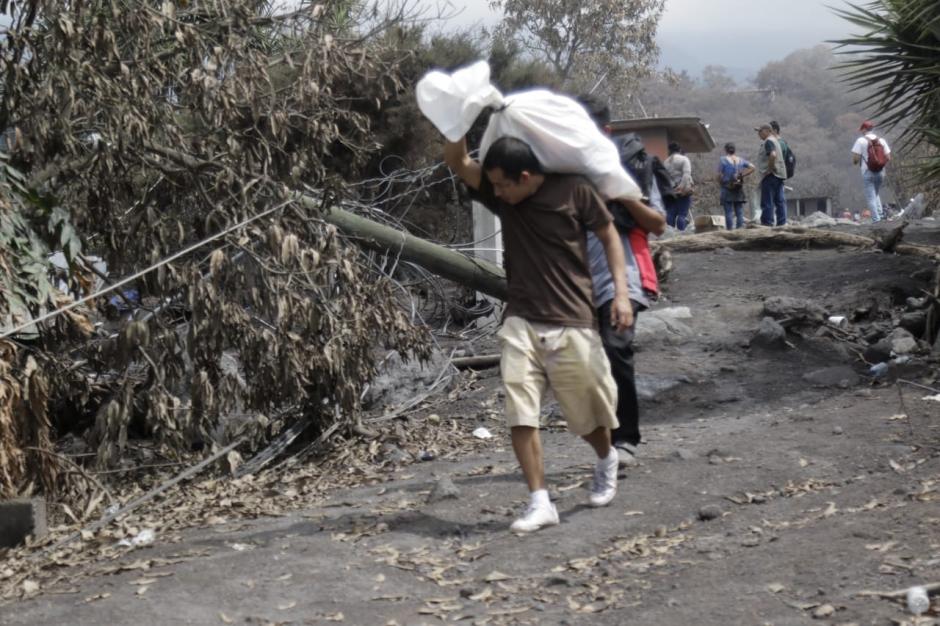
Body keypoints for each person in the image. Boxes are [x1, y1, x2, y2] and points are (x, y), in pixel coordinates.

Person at [444, 133, 636, 533]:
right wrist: (455, 120)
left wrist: (620, 294)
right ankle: (539, 500)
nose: (495, 192)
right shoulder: (503, 197)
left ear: (527, 176)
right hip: (521, 319)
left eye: (502, 184)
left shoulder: (575, 192)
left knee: (586, 419)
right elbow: (459, 162)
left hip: (572, 320)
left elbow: (609, 238)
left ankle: (606, 458)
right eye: (492, 185)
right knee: (520, 411)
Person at [576, 94, 667, 468]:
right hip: (577, 279)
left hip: (624, 276)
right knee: (585, 362)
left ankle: (625, 440)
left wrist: (624, 196)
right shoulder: (563, 169)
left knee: (616, 350)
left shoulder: (631, 165)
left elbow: (658, 223)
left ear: (605, 131)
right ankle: (606, 442)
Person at [851, 120, 891, 223]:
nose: (861, 131)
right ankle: (881, 216)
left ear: (864, 129)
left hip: (867, 172)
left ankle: (876, 220)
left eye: (862, 129)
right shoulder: (881, 140)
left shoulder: (861, 141)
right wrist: (879, 164)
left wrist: (856, 162)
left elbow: (855, 158)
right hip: (881, 172)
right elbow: (888, 157)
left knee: (871, 198)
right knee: (876, 194)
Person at [716, 142, 755, 229]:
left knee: (728, 211)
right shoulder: (740, 160)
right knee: (739, 211)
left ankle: (730, 231)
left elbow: (719, 175)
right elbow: (753, 167)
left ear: (725, 150)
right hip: (738, 187)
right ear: (734, 150)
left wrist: (720, 182)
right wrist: (742, 175)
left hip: (727, 187)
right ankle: (739, 230)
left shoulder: (723, 160)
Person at [755, 123, 787, 226]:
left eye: (760, 131)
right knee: (780, 201)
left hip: (771, 175)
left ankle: (767, 223)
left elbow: (772, 155)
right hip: (780, 174)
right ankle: (782, 223)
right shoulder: (776, 141)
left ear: (767, 131)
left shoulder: (768, 141)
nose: (759, 134)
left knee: (767, 201)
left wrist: (769, 168)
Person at [662, 142, 693, 230]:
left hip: (670, 191)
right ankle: (682, 234)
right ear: (679, 150)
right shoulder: (684, 159)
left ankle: (670, 234)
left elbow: (664, 177)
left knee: (670, 214)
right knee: (682, 214)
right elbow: (686, 174)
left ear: (669, 151)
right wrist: (681, 187)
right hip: (683, 191)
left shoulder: (665, 162)